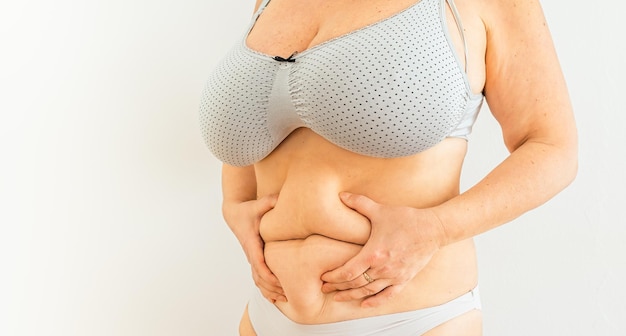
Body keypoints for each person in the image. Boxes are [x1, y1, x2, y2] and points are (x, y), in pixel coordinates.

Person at [199, 0, 577, 334]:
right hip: (266, 316)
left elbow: (552, 148)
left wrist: (438, 228)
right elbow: (250, 127)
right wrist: (234, 202)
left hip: (411, 318)